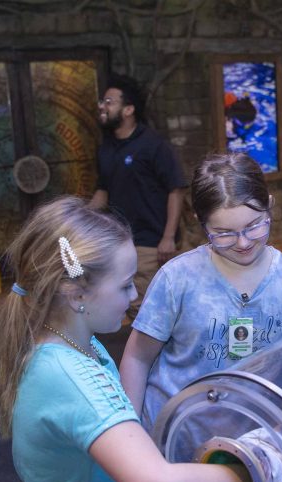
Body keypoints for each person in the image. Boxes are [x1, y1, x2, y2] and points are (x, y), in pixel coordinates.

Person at [0, 196, 251, 482]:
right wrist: (254, 474)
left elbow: (119, 456)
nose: (134, 297)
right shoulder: (71, 377)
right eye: (126, 285)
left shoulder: (81, 345)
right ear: (78, 294)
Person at [119, 152, 282, 434]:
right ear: (201, 221)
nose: (243, 243)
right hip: (171, 436)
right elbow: (138, 358)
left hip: (254, 444)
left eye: (254, 225)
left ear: (269, 205)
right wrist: (131, 435)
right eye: (224, 233)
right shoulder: (177, 278)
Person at [90, 74, 188, 318]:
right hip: (120, 241)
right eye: (103, 101)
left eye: (109, 101)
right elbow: (103, 191)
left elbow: (176, 189)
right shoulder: (106, 148)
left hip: (151, 243)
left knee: (143, 309)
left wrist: (168, 237)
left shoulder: (152, 145)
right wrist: (79, 218)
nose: (102, 106)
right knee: (135, 309)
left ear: (128, 109)